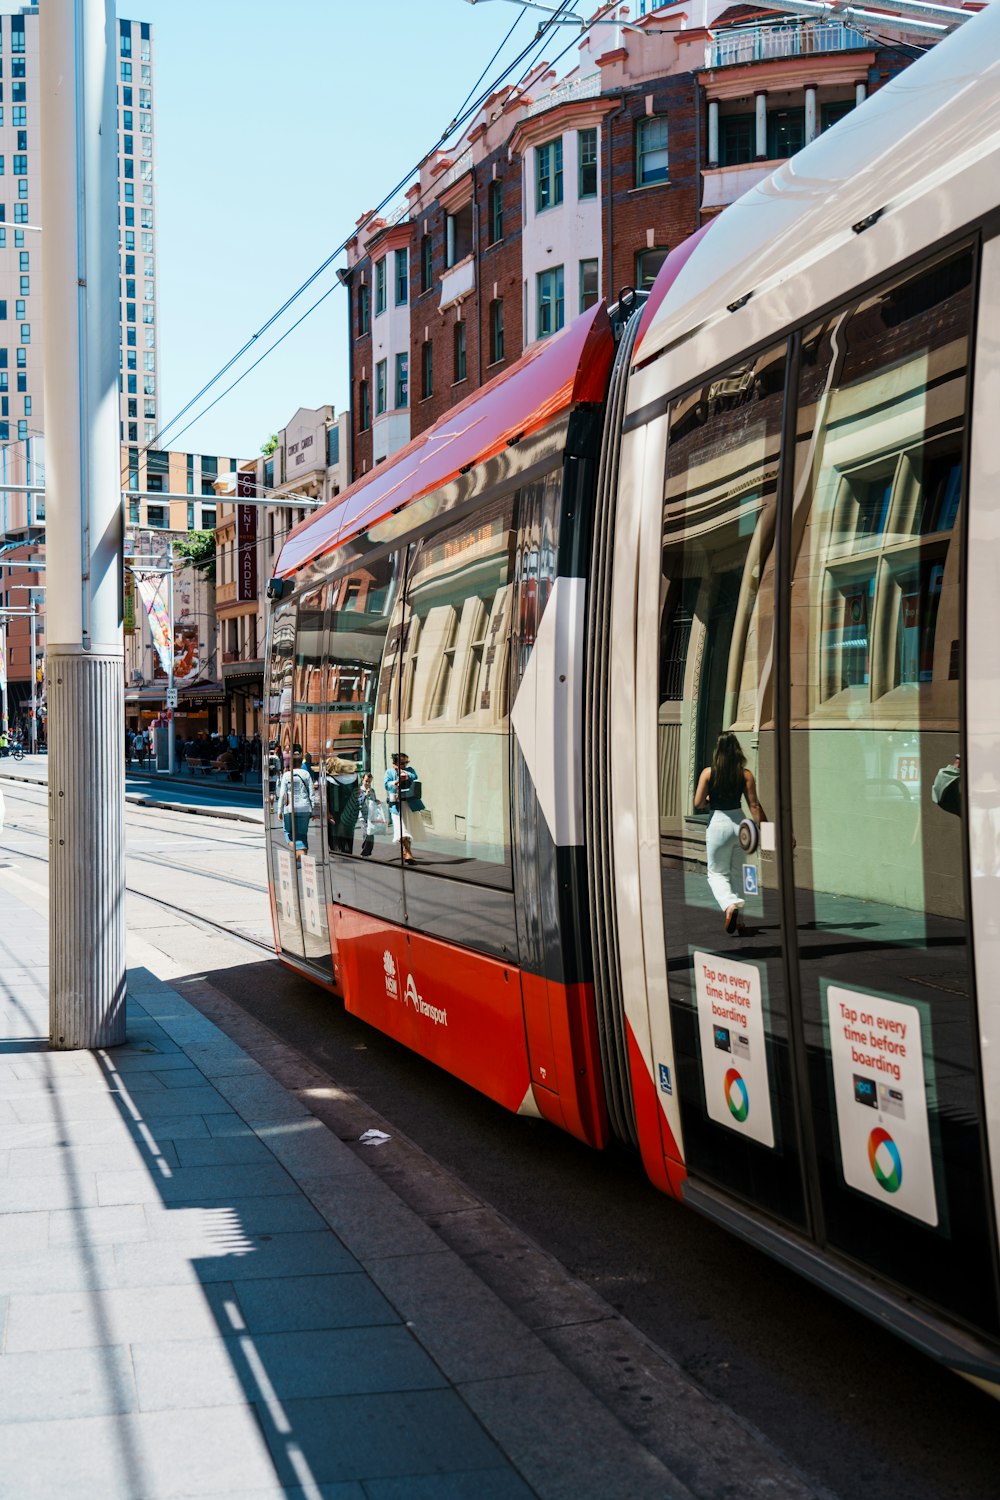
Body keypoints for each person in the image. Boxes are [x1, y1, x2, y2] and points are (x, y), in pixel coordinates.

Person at [694, 731, 765, 936]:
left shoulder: (708, 773)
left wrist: (709, 799)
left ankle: (729, 905)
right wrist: (768, 831)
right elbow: (754, 806)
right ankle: (740, 921)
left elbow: (698, 803)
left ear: (718, 751)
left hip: (718, 823)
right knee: (738, 874)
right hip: (740, 825)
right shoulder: (746, 774)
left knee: (716, 873)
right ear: (737, 750)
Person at [384, 751, 425, 864]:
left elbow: (414, 776)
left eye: (407, 762)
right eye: (403, 763)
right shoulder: (389, 772)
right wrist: (397, 781)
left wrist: (404, 773)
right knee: (401, 829)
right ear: (395, 762)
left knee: (407, 829)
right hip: (396, 805)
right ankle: (408, 853)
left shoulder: (409, 770)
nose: (406, 764)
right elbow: (386, 785)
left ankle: (407, 851)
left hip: (409, 803)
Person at [276, 749, 314, 854]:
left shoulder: (287, 775)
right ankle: (302, 860)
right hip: (305, 808)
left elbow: (282, 794)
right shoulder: (306, 774)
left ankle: (299, 857)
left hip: (289, 808)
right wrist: (314, 810)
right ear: (301, 762)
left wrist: (279, 811)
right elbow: (312, 794)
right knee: (302, 835)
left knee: (288, 833)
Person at [325, 755, 360, 854]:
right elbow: (357, 793)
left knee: (335, 834)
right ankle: (348, 851)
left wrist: (327, 813)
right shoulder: (354, 777)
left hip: (334, 811)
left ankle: (337, 851)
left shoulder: (329, 779)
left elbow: (326, 798)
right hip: (350, 810)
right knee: (348, 832)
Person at [358, 772, 385, 857]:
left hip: (371, 815)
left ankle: (367, 852)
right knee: (366, 833)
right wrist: (365, 795)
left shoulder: (372, 791)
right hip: (363, 815)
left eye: (369, 782)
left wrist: (377, 801)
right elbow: (359, 803)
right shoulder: (358, 790)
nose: (368, 783)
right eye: (366, 781)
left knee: (371, 834)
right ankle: (365, 851)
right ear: (362, 780)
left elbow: (373, 800)